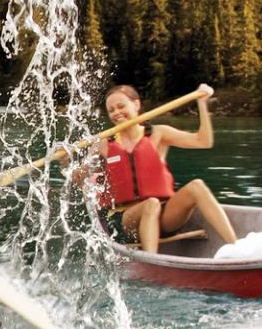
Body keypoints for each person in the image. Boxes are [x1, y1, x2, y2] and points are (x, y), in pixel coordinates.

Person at [96, 81, 239, 255]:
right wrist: (67, 159)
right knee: (151, 204)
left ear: (136, 104)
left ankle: (237, 247)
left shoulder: (158, 134)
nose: (116, 113)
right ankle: (153, 262)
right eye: (111, 110)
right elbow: (79, 174)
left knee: (197, 186)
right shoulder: (103, 143)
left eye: (121, 106)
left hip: (161, 216)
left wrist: (202, 103)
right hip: (125, 220)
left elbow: (204, 141)